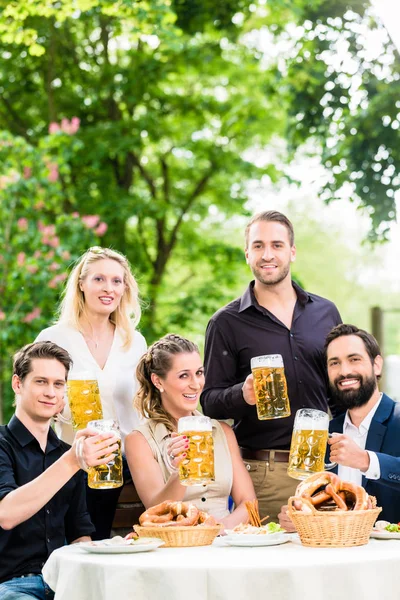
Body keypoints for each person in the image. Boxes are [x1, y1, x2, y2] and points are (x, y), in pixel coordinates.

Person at [201, 210, 342, 522]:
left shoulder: (326, 313)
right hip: (262, 475)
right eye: (258, 245)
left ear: (292, 251)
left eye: (277, 245)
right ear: (247, 253)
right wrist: (243, 394)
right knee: (265, 569)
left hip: (322, 472)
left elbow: (338, 391)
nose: (268, 255)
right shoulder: (225, 322)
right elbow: (208, 401)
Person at [35, 246, 147, 539]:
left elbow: (147, 405)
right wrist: (53, 404)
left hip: (123, 466)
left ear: (125, 289)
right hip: (72, 463)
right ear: (81, 284)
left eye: (116, 281)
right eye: (98, 279)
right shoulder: (53, 339)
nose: (108, 288)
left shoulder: (134, 341)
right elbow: (32, 402)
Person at [0, 341, 119, 600]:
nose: (51, 393)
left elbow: (79, 535)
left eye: (58, 384)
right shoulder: (3, 445)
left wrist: (116, 551)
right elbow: (5, 513)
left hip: (65, 585)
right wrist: (72, 461)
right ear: (18, 384)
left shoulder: (66, 452)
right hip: (12, 586)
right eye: (41, 382)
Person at [125, 334, 257, 529]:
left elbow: (249, 503)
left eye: (199, 373)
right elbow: (155, 511)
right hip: (176, 545)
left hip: (226, 541)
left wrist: (218, 529)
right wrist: (181, 473)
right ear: (158, 381)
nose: (196, 384)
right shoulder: (140, 440)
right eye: (184, 375)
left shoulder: (222, 431)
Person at [326, 324, 400, 523]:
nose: (344, 371)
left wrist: (366, 461)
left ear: (377, 365)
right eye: (334, 363)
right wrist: (300, 514)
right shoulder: (326, 432)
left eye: (354, 359)